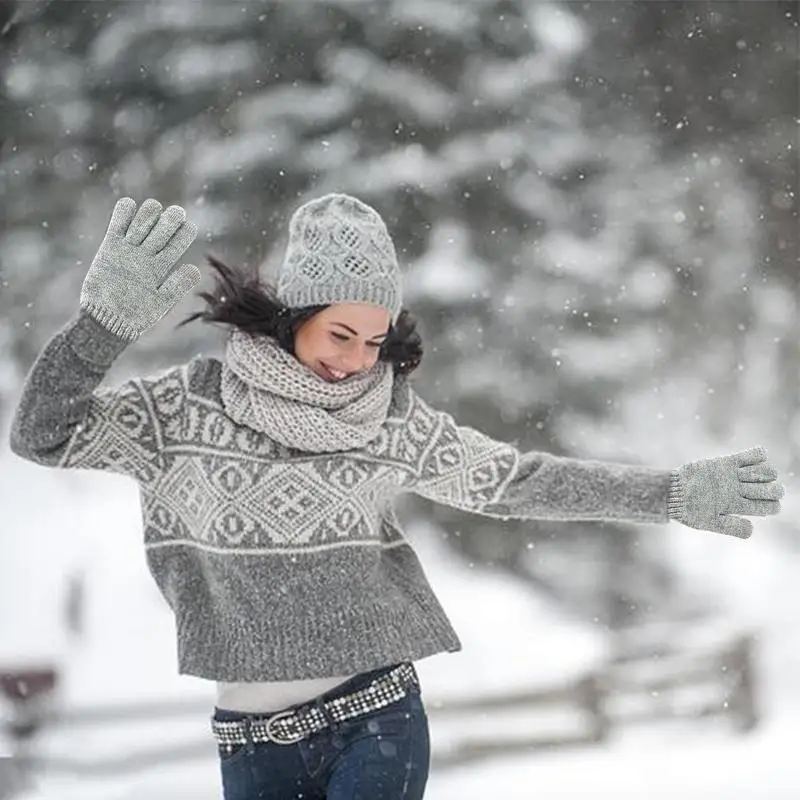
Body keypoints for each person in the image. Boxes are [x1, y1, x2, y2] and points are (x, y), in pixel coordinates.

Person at [9, 194, 784, 800]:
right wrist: (98, 330)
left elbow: (516, 482)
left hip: (374, 717)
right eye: (340, 335)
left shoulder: (387, 422)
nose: (357, 362)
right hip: (248, 739)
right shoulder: (184, 408)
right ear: (294, 316)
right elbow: (40, 434)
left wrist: (671, 493)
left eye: (375, 342)